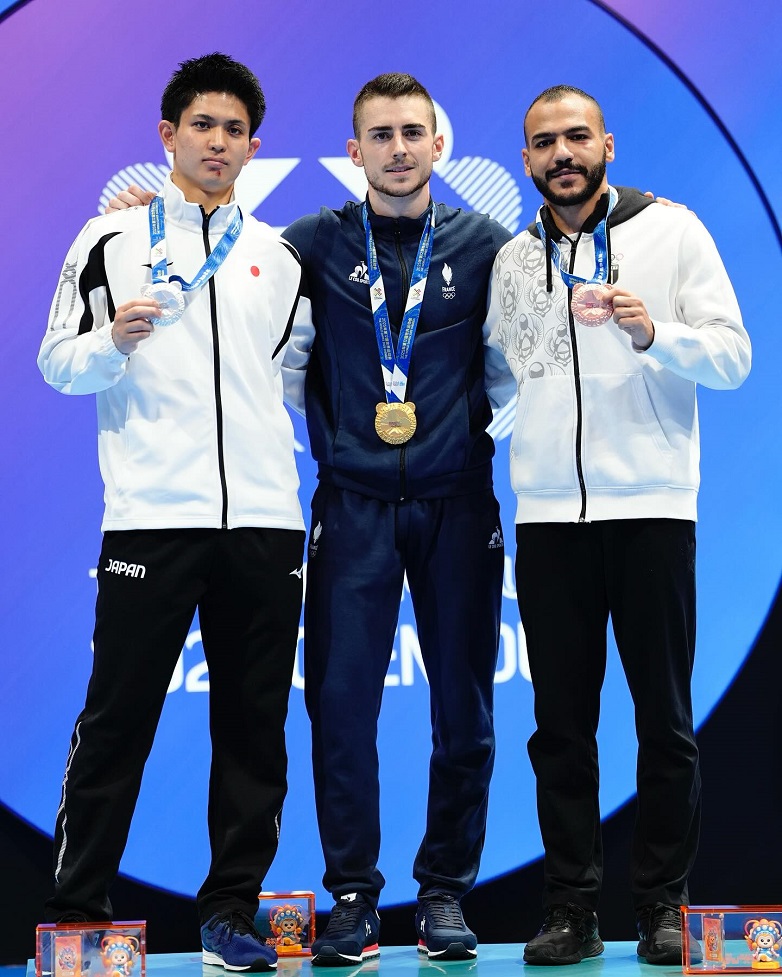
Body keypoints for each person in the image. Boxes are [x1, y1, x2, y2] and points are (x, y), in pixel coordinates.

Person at [38, 53, 305, 974]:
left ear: (254, 147)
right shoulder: (108, 240)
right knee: (117, 719)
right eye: (202, 125)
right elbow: (56, 362)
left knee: (254, 728)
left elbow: (297, 382)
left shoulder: (281, 258)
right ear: (168, 135)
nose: (217, 142)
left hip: (265, 522)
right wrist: (111, 344)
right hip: (151, 517)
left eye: (234, 130)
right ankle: (77, 915)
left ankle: (230, 913)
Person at [485, 85, 751, 966]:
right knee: (560, 726)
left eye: (576, 137)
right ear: (526, 160)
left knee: (664, 719)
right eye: (543, 142)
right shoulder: (512, 261)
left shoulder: (673, 231)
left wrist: (655, 332)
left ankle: (665, 904)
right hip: (549, 518)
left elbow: (735, 355)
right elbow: (500, 373)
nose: (561, 154)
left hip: (652, 510)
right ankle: (571, 908)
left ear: (608, 144)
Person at [280, 73, 514, 967]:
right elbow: (221, 275)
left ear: (438, 144)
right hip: (353, 503)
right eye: (380, 135)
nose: (399, 149)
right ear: (355, 150)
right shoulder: (308, 244)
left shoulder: (487, 246)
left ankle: (445, 891)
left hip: (458, 502)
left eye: (413, 132)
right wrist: (156, 210)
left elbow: (529, 345)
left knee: (465, 707)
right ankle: (353, 897)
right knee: (341, 706)